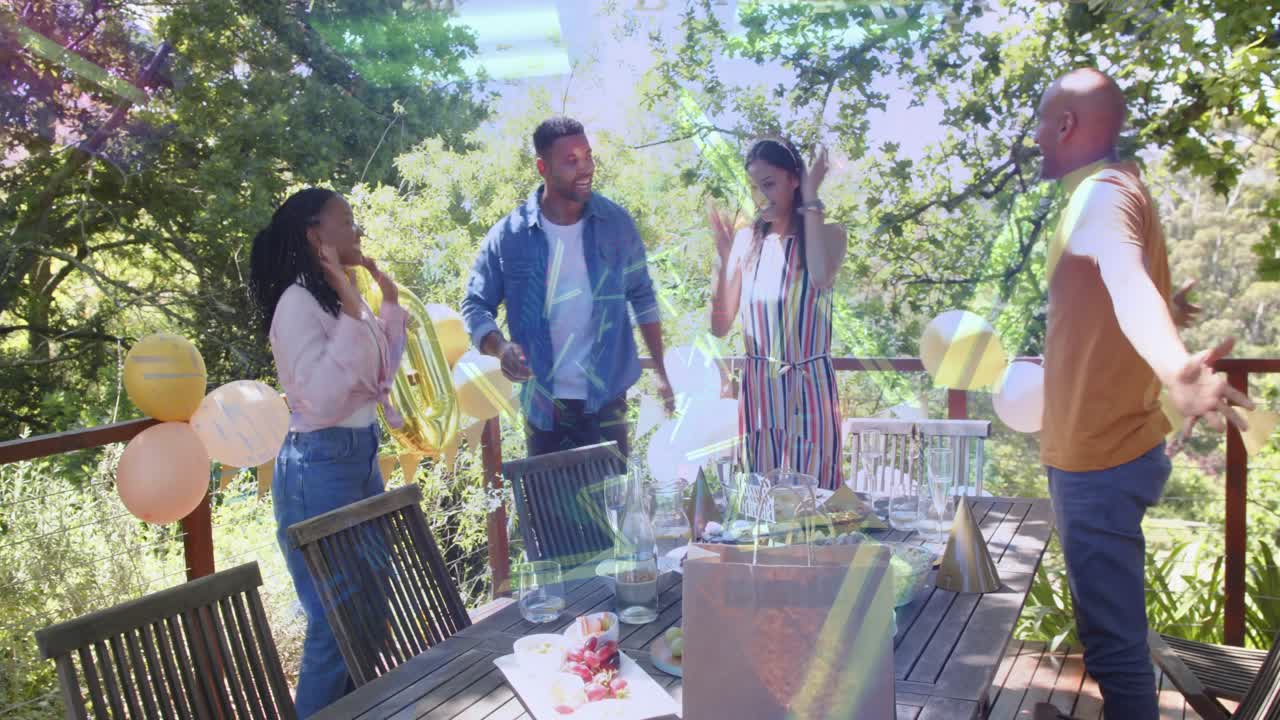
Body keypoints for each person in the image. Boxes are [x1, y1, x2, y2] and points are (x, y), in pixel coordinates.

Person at [1033, 68, 1254, 719]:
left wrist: (1174, 366)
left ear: (1067, 125)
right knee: (1108, 633)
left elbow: (1126, 279)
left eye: (1043, 124)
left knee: (1114, 650)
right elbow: (1124, 293)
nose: (1038, 138)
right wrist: (1170, 325)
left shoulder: (1098, 198)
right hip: (1111, 449)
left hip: (1099, 459)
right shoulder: (1123, 188)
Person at [249, 188, 406, 717]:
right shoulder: (297, 302)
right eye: (348, 221)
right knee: (335, 623)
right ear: (317, 235)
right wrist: (349, 304)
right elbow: (319, 393)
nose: (358, 231)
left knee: (371, 611)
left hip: (358, 455)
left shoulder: (337, 294)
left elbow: (378, 375)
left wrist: (384, 304)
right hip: (317, 465)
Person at [461, 117, 673, 458]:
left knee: (611, 509)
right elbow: (474, 303)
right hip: (544, 410)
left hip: (607, 402)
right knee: (550, 509)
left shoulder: (615, 224)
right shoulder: (510, 235)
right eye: (571, 161)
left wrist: (661, 372)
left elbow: (643, 296)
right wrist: (500, 349)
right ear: (542, 167)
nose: (586, 167)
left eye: (588, 156)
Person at [708, 137, 848, 489]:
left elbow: (819, 275)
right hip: (759, 389)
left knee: (815, 499)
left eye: (768, 185)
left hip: (811, 384)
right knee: (760, 499)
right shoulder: (745, 242)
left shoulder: (831, 235)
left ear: (794, 179)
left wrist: (812, 197)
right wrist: (723, 261)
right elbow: (721, 326)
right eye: (753, 188)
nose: (760, 197)